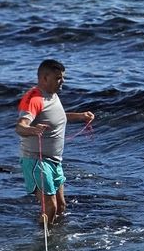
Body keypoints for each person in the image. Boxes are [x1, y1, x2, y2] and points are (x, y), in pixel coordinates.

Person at [15, 59, 95, 225]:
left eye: (62, 77)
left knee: (61, 207)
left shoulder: (52, 95)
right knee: (50, 207)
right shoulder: (34, 99)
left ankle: (54, 235)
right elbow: (20, 126)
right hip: (37, 161)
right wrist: (32, 130)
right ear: (45, 78)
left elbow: (56, 118)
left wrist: (80, 116)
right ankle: (42, 241)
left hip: (54, 162)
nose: (63, 81)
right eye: (58, 78)